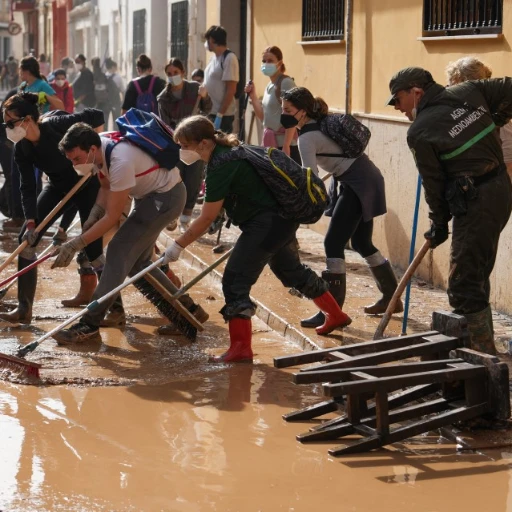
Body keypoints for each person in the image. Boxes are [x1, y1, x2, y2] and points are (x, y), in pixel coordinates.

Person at [162, 115, 351, 363]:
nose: (182, 151)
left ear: (204, 143)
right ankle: (335, 315)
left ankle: (241, 348)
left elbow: (206, 217)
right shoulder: (231, 152)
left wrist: (178, 245)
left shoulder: (221, 164)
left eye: (185, 145)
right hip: (280, 220)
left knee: (234, 281)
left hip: (267, 224)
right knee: (290, 271)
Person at [387, 67, 512, 354]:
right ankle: (483, 346)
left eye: (398, 99)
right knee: (475, 271)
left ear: (416, 92)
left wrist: (439, 223)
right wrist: (495, 118)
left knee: (463, 284)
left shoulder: (420, 131)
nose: (397, 108)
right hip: (501, 191)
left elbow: (434, 185)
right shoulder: (469, 92)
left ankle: (482, 357)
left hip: (477, 201)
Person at [50, 122, 188, 344]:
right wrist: (95, 212)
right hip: (150, 196)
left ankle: (90, 323)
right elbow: (105, 188)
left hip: (166, 198)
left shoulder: (119, 161)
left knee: (117, 250)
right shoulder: (100, 150)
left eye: (76, 159)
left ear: (91, 150)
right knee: (138, 262)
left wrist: (75, 244)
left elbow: (112, 217)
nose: (75, 164)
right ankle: (186, 310)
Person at [281, 87, 402, 327]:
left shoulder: (306, 137)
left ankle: (332, 311)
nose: (282, 114)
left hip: (357, 182)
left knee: (332, 243)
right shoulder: (317, 125)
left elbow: (311, 179)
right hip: (365, 177)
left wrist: (295, 205)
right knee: (361, 243)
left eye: (287, 110)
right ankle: (392, 298)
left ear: (302, 112)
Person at [0, 93, 105, 324]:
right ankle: (24, 308)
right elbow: (27, 187)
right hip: (58, 186)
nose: (7, 128)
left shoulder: (57, 124)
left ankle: (113, 310)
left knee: (94, 247)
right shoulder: (22, 149)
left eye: (10, 123)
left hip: (87, 184)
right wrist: (30, 221)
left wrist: (95, 155)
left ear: (27, 119)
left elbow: (96, 115)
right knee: (26, 239)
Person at [157, 57, 212, 232]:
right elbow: (164, 125)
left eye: (176, 73)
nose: (173, 76)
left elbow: (207, 108)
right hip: (177, 142)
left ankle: (185, 218)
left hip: (196, 140)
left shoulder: (195, 89)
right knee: (175, 178)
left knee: (194, 178)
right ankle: (172, 215)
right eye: (169, 74)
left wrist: (205, 96)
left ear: (183, 73)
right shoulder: (163, 98)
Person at [445, 56, 512, 180]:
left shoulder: (495, 113)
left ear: (460, 82)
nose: (448, 90)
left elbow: (508, 162)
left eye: (451, 85)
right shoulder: (459, 111)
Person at [244, 46, 300, 162]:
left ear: (279, 63)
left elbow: (293, 115)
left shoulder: (286, 83)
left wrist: (286, 145)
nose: (266, 64)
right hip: (271, 145)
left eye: (270, 61)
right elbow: (264, 118)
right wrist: (253, 96)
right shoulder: (269, 85)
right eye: (264, 61)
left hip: (284, 147)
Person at [203, 25, 239, 133]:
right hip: (210, 112)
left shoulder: (229, 58)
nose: (206, 43)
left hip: (222, 115)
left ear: (212, 40)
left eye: (207, 40)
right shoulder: (213, 58)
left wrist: (220, 114)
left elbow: (231, 89)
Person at [91, 57, 110, 123]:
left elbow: (107, 87)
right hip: (96, 101)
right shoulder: (92, 75)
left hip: (103, 101)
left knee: (103, 121)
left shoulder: (102, 75)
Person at [105, 58, 123, 123]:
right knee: (116, 121)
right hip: (116, 101)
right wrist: (123, 101)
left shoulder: (104, 76)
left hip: (106, 101)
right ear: (113, 67)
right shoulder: (118, 77)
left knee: (105, 121)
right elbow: (122, 90)